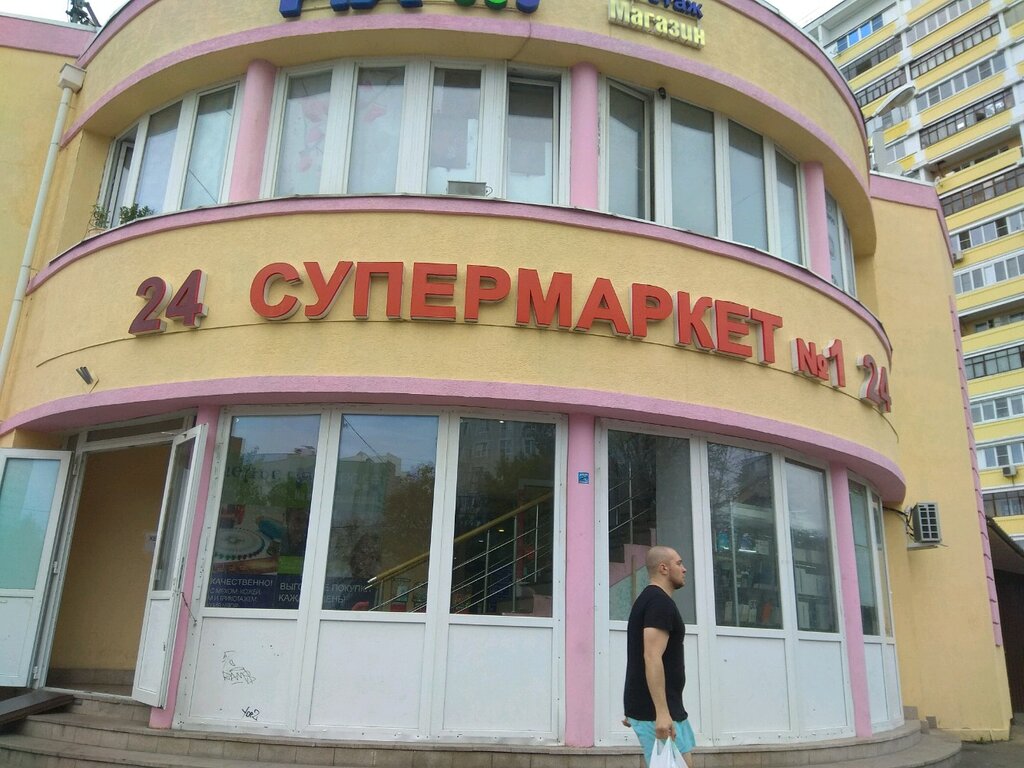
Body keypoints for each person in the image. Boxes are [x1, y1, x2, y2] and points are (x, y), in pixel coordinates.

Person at [622, 546, 695, 768]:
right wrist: (661, 713)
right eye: (679, 563)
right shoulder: (659, 603)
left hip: (664, 707)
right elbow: (651, 656)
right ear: (663, 568)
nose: (684, 569)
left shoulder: (651, 600)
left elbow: (638, 655)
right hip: (657, 711)